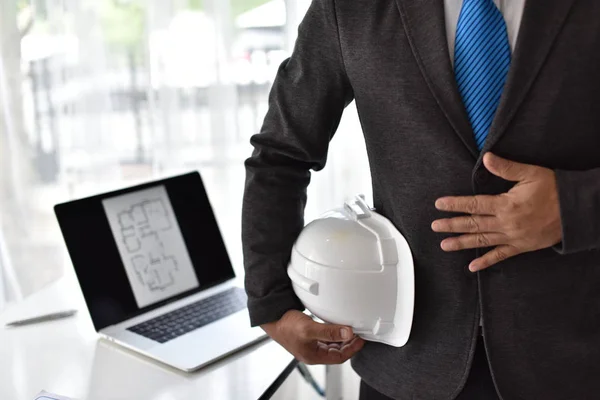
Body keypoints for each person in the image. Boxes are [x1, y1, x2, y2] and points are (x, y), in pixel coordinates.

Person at [242, 0, 600, 398]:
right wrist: (272, 304)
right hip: (405, 365)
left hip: (577, 360)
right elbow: (280, 156)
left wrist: (573, 206)